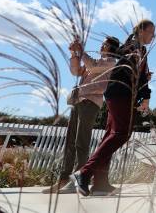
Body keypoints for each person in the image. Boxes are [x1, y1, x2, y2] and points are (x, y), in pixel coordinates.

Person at [71, 20, 154, 197]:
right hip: (121, 94)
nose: (153, 36)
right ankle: (84, 173)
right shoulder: (135, 47)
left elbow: (136, 74)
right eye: (151, 31)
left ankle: (100, 183)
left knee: (111, 135)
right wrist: (146, 95)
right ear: (140, 31)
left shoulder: (133, 47)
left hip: (118, 93)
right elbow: (138, 76)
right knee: (121, 133)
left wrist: (142, 84)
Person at [43, 35, 119, 195]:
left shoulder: (110, 62)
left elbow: (91, 66)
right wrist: (74, 55)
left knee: (81, 142)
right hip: (78, 100)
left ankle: (76, 179)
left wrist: (82, 52)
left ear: (111, 48)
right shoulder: (95, 61)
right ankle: (64, 179)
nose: (102, 46)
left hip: (91, 102)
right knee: (70, 141)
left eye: (105, 44)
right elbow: (77, 71)